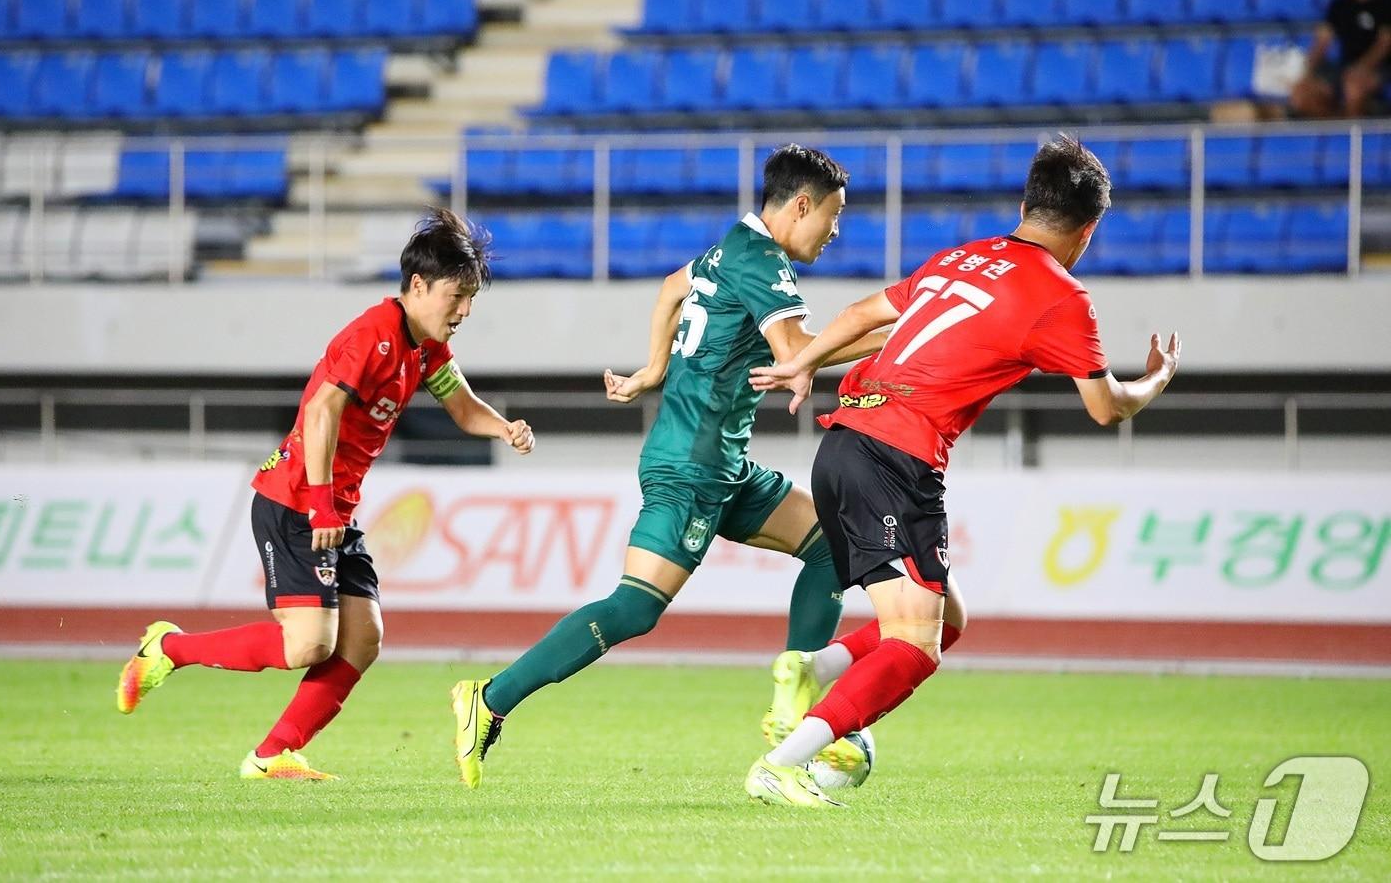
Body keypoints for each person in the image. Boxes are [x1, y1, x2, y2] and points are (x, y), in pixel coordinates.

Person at [743, 135, 1181, 807]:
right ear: (1087, 230)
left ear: (1026, 203)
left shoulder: (963, 256)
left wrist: (805, 362)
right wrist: (1154, 381)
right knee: (915, 646)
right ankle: (783, 761)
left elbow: (863, 313)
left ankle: (810, 666)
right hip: (897, 458)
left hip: (842, 443)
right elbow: (1104, 405)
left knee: (946, 618)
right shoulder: (1063, 297)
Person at [451, 144, 890, 789]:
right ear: (801, 206)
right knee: (634, 608)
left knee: (831, 544)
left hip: (720, 462)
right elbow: (796, 352)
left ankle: (792, 702)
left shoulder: (730, 248)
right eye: (832, 214)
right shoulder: (763, 263)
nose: (835, 230)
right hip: (689, 464)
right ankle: (487, 700)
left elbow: (671, 288)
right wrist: (904, 338)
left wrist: (654, 369)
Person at [115, 209, 535, 781]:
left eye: (471, 300)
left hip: (336, 507)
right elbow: (320, 411)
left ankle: (271, 755)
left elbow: (462, 408)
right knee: (310, 644)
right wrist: (320, 503)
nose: (464, 311)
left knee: (362, 639)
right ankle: (169, 650)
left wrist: (504, 428)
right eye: (457, 296)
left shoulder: (425, 349)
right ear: (417, 286)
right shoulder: (374, 336)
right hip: (297, 500)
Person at [1291, 0, 1391, 118]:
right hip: (1344, 66)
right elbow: (1323, 41)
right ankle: (1332, 131)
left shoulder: (1387, 1)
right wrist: (1307, 70)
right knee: (1302, 92)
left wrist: (1362, 67)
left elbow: (1385, 43)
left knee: (1354, 86)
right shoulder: (1340, 3)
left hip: (1379, 68)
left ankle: (1353, 137)